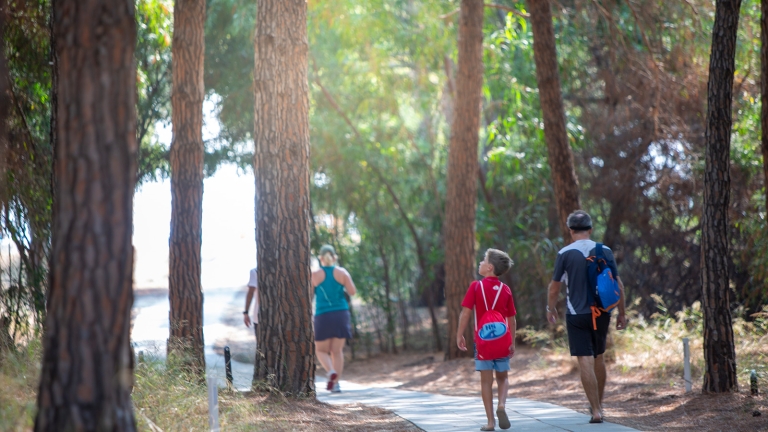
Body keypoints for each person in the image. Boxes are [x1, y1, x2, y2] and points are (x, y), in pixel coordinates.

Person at [546, 210, 627, 424]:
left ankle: (596, 410)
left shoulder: (564, 253)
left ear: (571, 231)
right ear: (590, 230)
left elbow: (554, 288)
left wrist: (550, 308)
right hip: (601, 313)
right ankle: (599, 405)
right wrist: (622, 313)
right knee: (599, 357)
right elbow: (619, 285)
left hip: (576, 314)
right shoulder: (605, 250)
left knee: (585, 359)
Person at [457, 248, 516, 431]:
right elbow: (512, 319)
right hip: (502, 340)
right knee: (503, 378)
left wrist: (459, 334)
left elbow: (466, 313)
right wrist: (512, 341)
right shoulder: (505, 290)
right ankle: (502, 406)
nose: (480, 262)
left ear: (489, 267)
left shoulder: (476, 286)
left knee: (485, 381)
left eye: (483, 260)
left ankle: (490, 423)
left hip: (483, 342)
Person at [311, 244, 357, 393]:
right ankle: (336, 384)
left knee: (321, 351)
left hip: (323, 315)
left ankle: (331, 371)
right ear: (334, 257)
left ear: (321, 258)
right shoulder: (342, 272)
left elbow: (309, 296)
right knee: (336, 351)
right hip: (341, 314)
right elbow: (352, 291)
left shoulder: (315, 275)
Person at [243, 268, 259, 343]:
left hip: (259, 315)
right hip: (259, 316)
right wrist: (246, 312)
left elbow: (250, 293)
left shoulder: (255, 271)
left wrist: (246, 312)